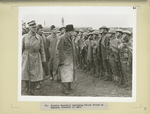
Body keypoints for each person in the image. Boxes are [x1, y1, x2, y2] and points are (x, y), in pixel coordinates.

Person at [22, 20, 46, 95]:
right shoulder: (24, 37)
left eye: (35, 27)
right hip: (27, 57)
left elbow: (42, 49)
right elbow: (21, 49)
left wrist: (43, 59)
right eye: (33, 27)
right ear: (29, 28)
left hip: (36, 57)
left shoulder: (39, 37)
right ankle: (27, 86)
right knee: (26, 73)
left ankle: (32, 89)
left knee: (35, 74)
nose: (35, 28)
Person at [57, 24, 76, 94]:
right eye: (72, 31)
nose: (73, 32)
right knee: (65, 74)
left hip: (71, 59)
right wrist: (61, 60)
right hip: (65, 59)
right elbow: (59, 49)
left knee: (70, 73)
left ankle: (69, 86)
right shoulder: (62, 38)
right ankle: (64, 89)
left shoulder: (71, 37)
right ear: (69, 31)